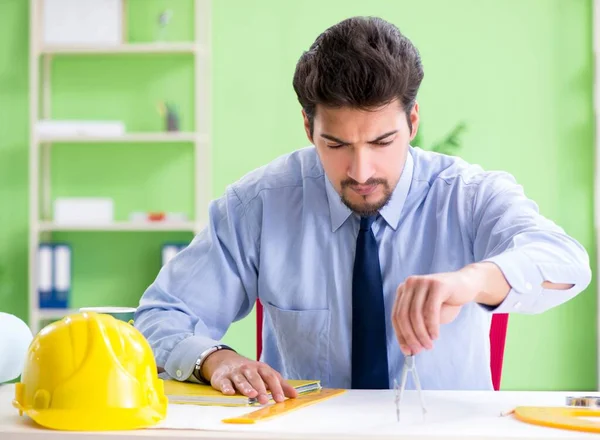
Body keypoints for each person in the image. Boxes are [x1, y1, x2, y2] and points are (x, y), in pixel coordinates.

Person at [134, 16, 591, 403]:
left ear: (412, 122)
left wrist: (472, 279)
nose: (361, 170)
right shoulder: (258, 204)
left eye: (381, 141)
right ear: (308, 127)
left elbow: (566, 262)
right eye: (335, 144)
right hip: (306, 430)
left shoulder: (466, 195)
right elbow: (161, 315)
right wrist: (214, 359)